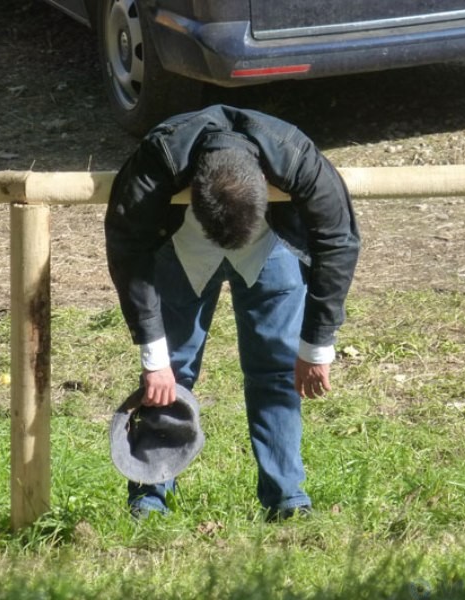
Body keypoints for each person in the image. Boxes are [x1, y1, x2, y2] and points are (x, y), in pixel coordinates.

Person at [104, 105, 360, 520]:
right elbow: (126, 245)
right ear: (193, 186)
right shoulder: (160, 156)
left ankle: (286, 499)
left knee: (277, 370)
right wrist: (154, 358)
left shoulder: (294, 154)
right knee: (170, 375)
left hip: (268, 243)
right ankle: (149, 496)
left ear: (264, 181)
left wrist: (316, 346)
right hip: (185, 244)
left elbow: (338, 241)